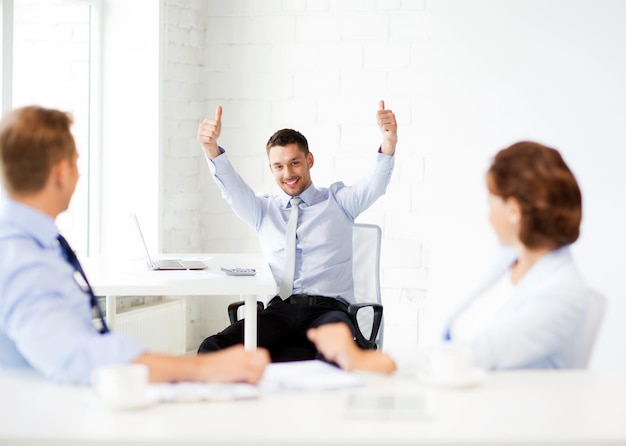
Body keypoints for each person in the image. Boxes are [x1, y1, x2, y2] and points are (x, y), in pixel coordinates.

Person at [0, 105, 269, 385]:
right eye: (76, 163)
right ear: (60, 173)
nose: (79, 176)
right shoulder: (20, 259)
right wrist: (202, 369)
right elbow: (76, 355)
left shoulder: (33, 243)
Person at [308, 141, 596, 372]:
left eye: (491, 202)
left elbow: (476, 354)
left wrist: (365, 360)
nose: (488, 214)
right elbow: (453, 338)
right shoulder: (508, 263)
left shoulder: (564, 293)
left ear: (513, 211)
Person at [195, 101, 397, 360]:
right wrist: (210, 148)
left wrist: (388, 141)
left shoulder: (339, 202)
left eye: (295, 163)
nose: (288, 173)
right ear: (271, 169)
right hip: (278, 313)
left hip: (328, 312)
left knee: (336, 356)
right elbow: (231, 189)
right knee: (213, 349)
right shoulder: (263, 210)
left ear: (309, 160)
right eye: (279, 166)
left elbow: (375, 184)